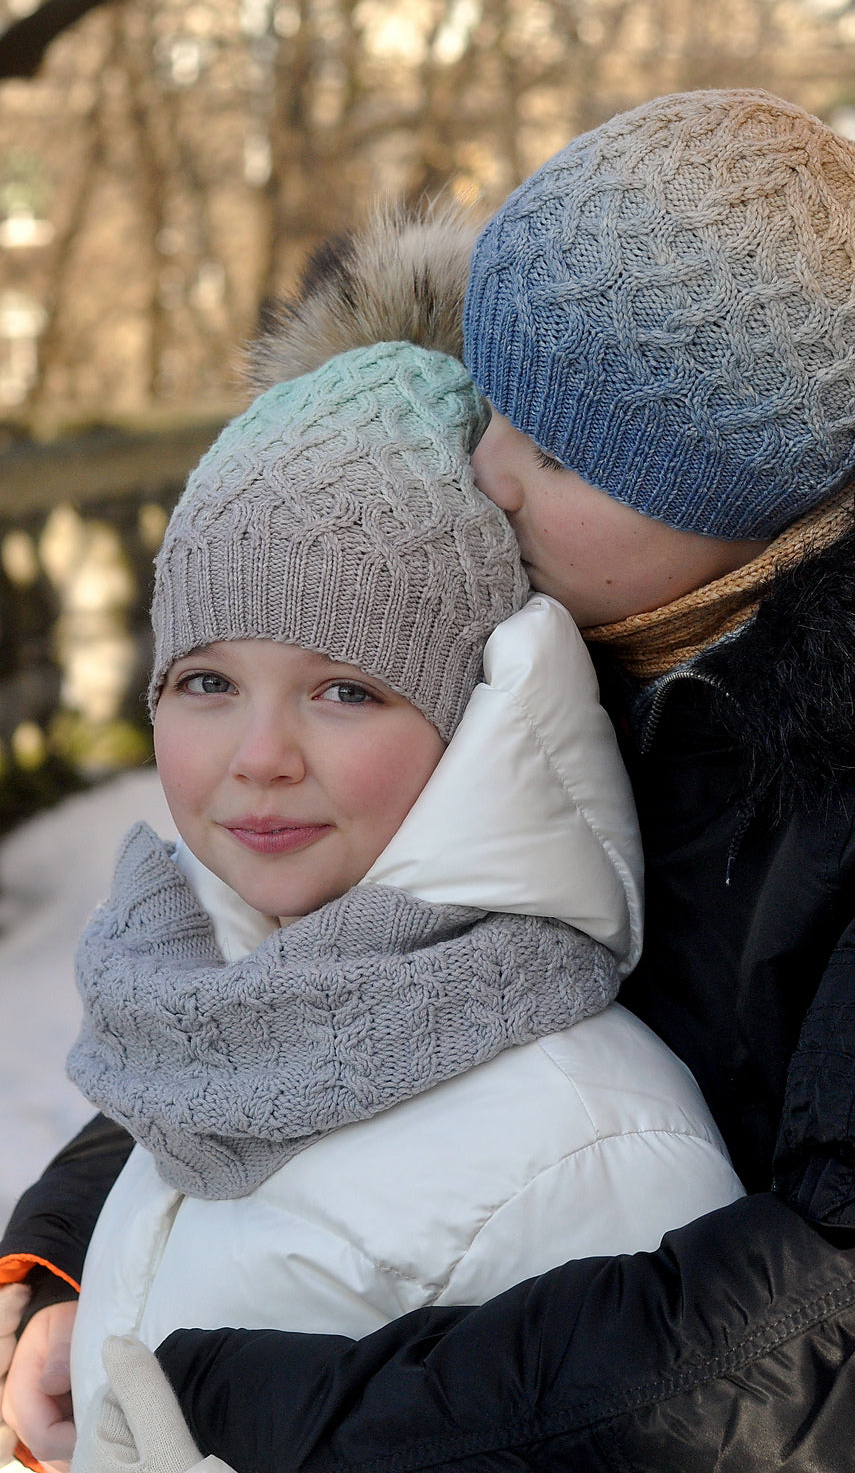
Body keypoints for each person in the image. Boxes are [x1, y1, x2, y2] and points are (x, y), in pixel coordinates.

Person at [5, 85, 855, 1471]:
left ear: (743, 495)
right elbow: (337, 961)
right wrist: (79, 1250)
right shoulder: (607, 609)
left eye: (555, 450)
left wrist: (258, 1411)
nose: (486, 469)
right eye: (496, 399)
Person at [6, 317, 743, 1469]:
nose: (260, 754)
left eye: (345, 690)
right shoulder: (210, 1020)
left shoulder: (589, 1147)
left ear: (479, 720)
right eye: (206, 680)